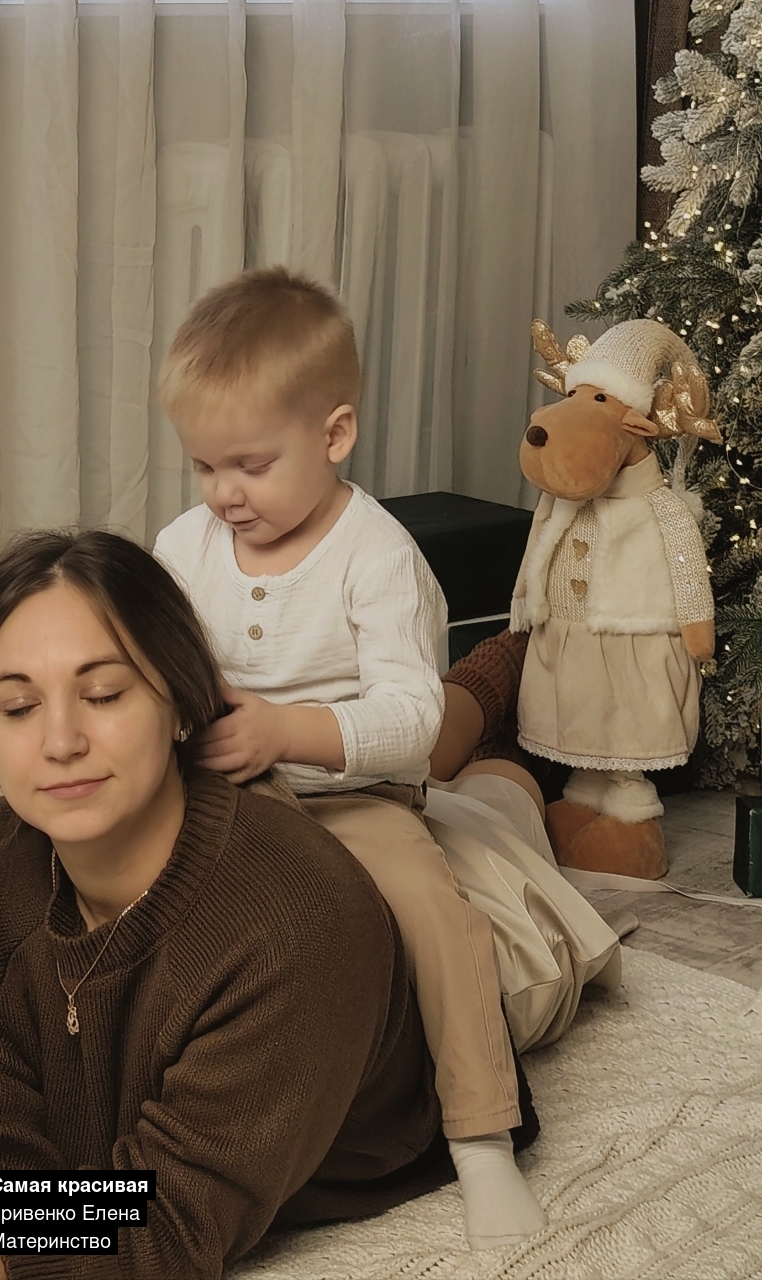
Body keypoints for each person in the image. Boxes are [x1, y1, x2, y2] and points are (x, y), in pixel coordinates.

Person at [0, 530, 538, 1280]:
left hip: (463, 971)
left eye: (103, 695)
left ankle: (512, 708)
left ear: (182, 707)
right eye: (18, 707)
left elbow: (168, 1223)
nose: (60, 741)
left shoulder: (298, 917)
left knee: (504, 817)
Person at [153, 267, 548, 1250]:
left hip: (350, 793)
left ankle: (480, 1133)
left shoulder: (376, 555)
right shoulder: (184, 546)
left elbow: (413, 719)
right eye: (203, 467)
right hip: (217, 791)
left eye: (249, 465)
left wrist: (285, 731)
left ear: (333, 436)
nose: (223, 493)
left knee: (428, 905)